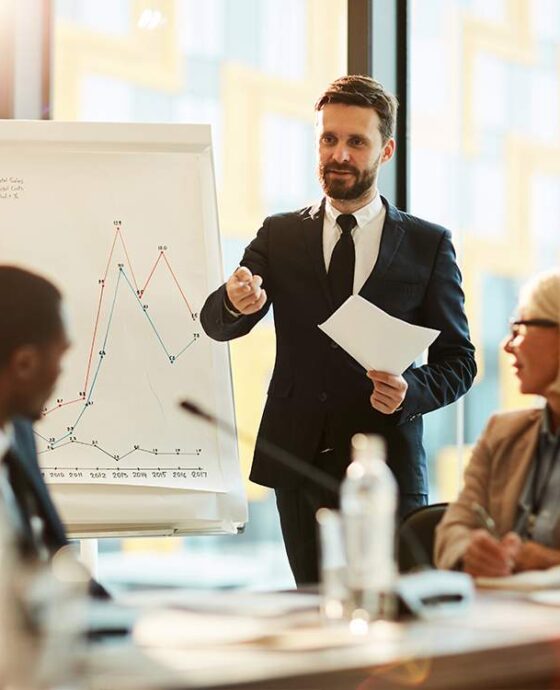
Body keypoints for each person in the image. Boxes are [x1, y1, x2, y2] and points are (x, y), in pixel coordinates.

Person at [201, 75, 476, 585]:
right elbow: (217, 323)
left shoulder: (428, 244)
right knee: (312, 609)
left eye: (356, 141)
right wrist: (237, 302)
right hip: (297, 458)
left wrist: (411, 391)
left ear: (385, 150)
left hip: (385, 465)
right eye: (329, 139)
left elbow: (460, 362)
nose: (340, 154)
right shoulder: (279, 234)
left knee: (386, 617)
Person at [435, 269, 560, 576]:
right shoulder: (502, 432)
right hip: (499, 614)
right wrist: (471, 551)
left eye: (519, 328)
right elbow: (452, 531)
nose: (507, 345)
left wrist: (550, 563)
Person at [0, 265, 107, 597]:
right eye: (60, 357)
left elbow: (51, 551)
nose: (60, 374)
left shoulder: (17, 432)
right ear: (25, 364)